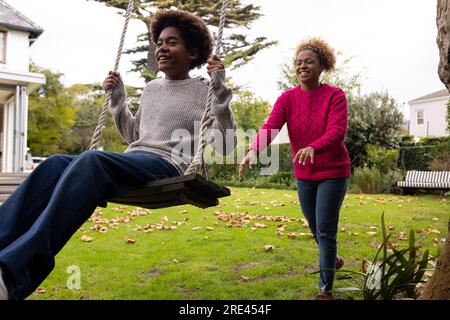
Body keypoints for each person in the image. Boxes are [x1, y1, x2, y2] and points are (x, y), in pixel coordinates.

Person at [0, 9, 237, 300]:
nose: (162, 47)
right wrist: (118, 100)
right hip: (136, 159)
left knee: (92, 160)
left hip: (168, 165)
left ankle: (14, 274)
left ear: (193, 53)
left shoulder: (205, 90)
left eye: (172, 42)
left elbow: (227, 145)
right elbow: (134, 137)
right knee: (54, 164)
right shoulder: (151, 89)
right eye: (159, 42)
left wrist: (221, 89)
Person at [239, 37, 350, 300]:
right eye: (298, 62)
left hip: (333, 171)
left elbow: (337, 130)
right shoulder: (287, 99)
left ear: (322, 65)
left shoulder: (335, 95)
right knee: (314, 227)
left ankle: (325, 291)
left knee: (325, 229)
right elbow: (271, 127)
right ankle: (332, 258)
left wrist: (314, 146)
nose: (302, 66)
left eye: (308, 61)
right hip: (305, 173)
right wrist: (253, 150)